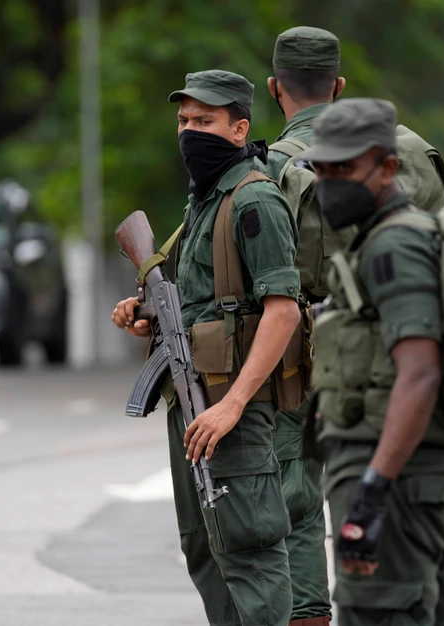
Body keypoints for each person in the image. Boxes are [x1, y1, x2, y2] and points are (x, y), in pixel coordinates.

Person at [254, 26, 444, 625]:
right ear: (339, 87)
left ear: (274, 88)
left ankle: (312, 613)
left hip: (299, 347)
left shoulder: (266, 164)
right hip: (408, 342)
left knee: (301, 497)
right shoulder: (413, 151)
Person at [112, 70, 302, 626]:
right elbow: (203, 306)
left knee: (248, 551)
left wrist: (234, 404)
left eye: (205, 121)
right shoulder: (203, 203)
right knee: (206, 550)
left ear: (240, 128)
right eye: (184, 121)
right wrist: (143, 316)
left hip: (230, 411)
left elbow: (282, 310)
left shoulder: (253, 201)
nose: (190, 131)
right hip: (193, 406)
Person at [299, 98, 444, 625]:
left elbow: (420, 372)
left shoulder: (394, 247)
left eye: (346, 169)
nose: (330, 182)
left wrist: (373, 492)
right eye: (321, 169)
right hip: (424, 481)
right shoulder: (396, 237)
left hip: (395, 480)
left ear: (389, 168)